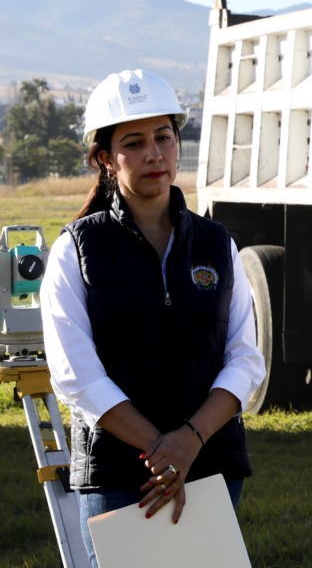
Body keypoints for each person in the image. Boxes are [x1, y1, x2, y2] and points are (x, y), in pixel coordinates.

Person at [40, 69, 266, 568]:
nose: (154, 154)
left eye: (163, 137)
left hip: (210, 465)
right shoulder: (75, 250)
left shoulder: (216, 243)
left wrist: (191, 440)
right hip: (118, 474)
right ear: (104, 157)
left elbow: (245, 360)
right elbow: (75, 374)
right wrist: (161, 452)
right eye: (134, 142)